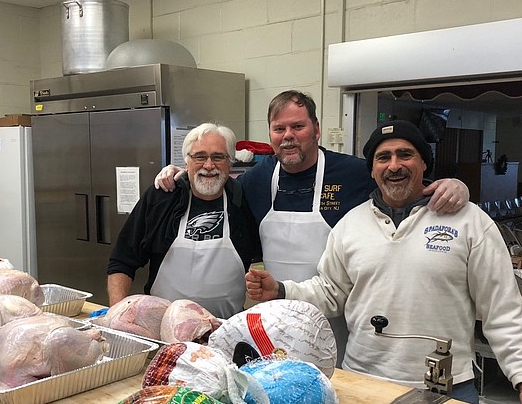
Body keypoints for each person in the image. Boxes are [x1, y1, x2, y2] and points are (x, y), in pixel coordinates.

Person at [245, 119, 522, 404]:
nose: (394, 165)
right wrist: (281, 289)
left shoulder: (469, 221)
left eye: (405, 154)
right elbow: (330, 292)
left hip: (447, 393)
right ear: (371, 169)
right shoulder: (351, 225)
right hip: (365, 389)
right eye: (383, 157)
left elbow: (502, 311)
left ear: (424, 164)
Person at [156, 91, 470, 353]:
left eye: (298, 126)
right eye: (279, 129)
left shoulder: (353, 173)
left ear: (316, 129)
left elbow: (404, 183)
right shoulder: (256, 179)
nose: (288, 136)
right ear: (270, 134)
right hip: (275, 317)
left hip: (339, 320)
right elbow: (213, 179)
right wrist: (179, 175)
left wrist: (453, 186)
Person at [107, 123, 261, 318]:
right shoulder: (162, 198)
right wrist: (116, 316)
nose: (208, 165)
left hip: (225, 331)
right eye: (200, 156)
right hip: (164, 331)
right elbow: (122, 261)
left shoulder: (242, 200)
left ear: (230, 163)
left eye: (218, 157)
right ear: (186, 162)